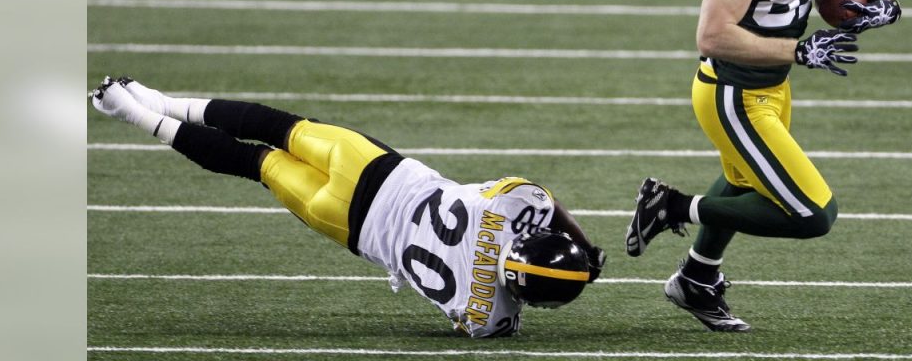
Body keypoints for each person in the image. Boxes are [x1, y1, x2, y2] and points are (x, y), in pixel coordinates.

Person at [624, 0, 902, 332]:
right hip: (732, 91)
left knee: (740, 178)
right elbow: (711, 35)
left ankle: (696, 279)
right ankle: (673, 207)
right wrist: (798, 51)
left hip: (770, 88)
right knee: (811, 213)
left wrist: (882, 1)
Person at [91, 75, 605, 338]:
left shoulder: (516, 204)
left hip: (375, 169)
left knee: (277, 127)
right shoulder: (489, 317)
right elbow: (477, 320)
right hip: (348, 225)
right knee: (256, 163)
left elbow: (546, 201)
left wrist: (581, 248)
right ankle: (138, 116)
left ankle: (159, 100)